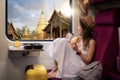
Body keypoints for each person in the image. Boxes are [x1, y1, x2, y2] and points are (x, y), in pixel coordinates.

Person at [47, 16, 96, 80]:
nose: (78, 28)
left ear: (84, 29)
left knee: (63, 41)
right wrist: (70, 42)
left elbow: (88, 61)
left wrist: (77, 51)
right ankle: (57, 67)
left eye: (79, 26)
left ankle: (59, 71)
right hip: (75, 60)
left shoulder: (91, 42)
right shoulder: (80, 39)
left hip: (80, 65)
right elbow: (74, 49)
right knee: (61, 41)